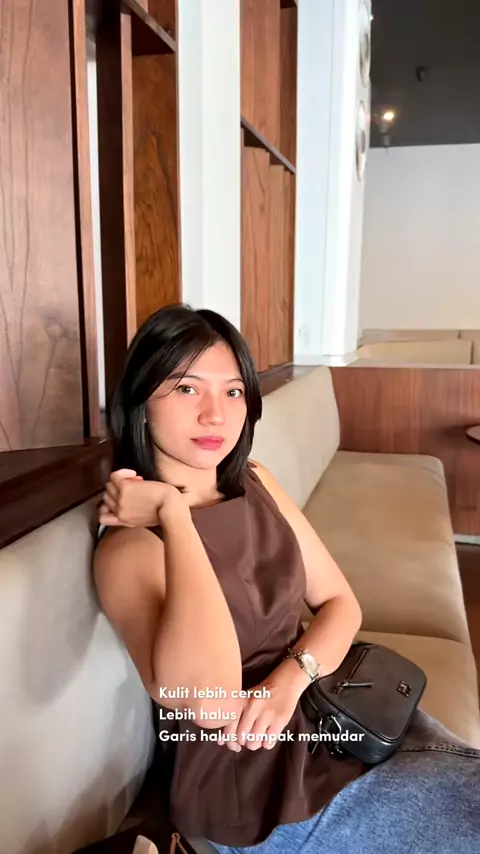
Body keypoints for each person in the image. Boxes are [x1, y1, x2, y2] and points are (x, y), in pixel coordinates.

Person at [94, 304, 480, 854]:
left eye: (233, 391)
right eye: (186, 389)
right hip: (255, 775)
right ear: (139, 401)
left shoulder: (255, 481)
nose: (215, 415)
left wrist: (290, 679)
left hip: (332, 706)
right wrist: (174, 517)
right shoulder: (130, 548)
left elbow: (342, 603)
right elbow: (209, 702)